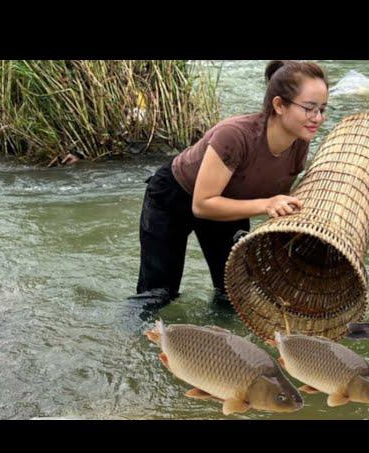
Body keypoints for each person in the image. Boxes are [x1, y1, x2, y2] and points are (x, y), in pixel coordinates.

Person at [132, 60, 330, 310]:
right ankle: (131, 344)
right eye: (310, 108)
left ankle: (218, 343)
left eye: (323, 109)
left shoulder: (299, 143)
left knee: (233, 294)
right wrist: (266, 204)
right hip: (173, 198)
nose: (318, 118)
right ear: (279, 105)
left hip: (231, 203)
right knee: (158, 294)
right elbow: (202, 205)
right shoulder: (235, 136)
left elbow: (279, 203)